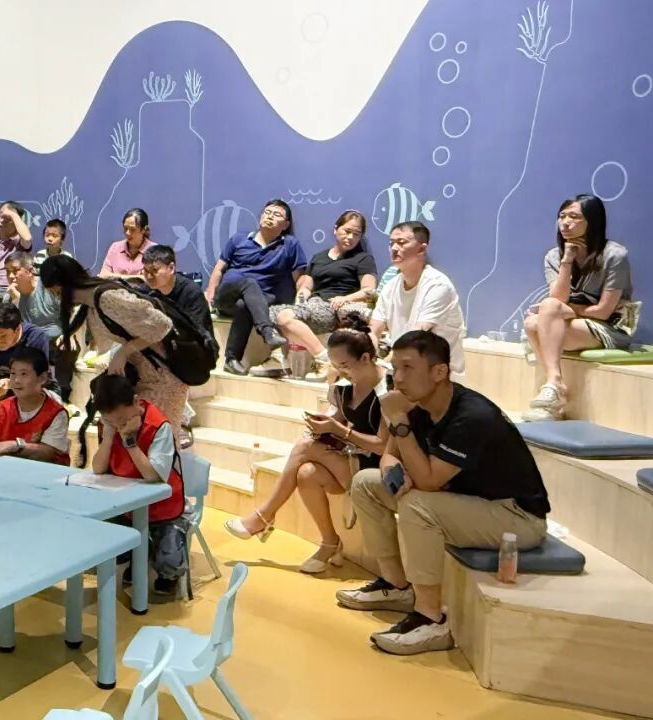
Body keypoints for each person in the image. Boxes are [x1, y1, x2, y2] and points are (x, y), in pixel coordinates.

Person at [336, 331, 550, 656]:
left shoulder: (471, 416)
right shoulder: (418, 404)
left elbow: (429, 481)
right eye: (396, 368)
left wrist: (398, 421)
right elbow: (389, 455)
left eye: (408, 368)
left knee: (418, 504)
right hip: (468, 501)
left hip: (515, 517)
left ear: (439, 372)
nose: (398, 378)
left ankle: (431, 618)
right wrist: (393, 472)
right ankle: (396, 585)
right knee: (366, 483)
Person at [225, 321, 389, 573]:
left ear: (366, 358)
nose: (340, 371)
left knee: (305, 447)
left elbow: (382, 446)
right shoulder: (345, 386)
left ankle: (264, 516)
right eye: (335, 365)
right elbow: (338, 420)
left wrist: (339, 430)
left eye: (345, 365)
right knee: (306, 473)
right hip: (349, 459)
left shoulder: (387, 390)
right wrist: (323, 425)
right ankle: (330, 542)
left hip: (376, 469)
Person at [40, 255, 189, 445]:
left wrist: (124, 352)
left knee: (158, 443)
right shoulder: (91, 303)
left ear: (59, 287)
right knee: (137, 442)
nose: (56, 297)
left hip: (165, 378)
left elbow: (163, 325)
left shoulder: (107, 298)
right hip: (142, 376)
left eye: (54, 292)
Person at [522, 194, 635, 421]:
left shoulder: (614, 255)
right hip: (573, 324)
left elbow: (604, 311)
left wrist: (568, 309)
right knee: (533, 322)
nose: (565, 222)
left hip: (610, 326)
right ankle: (554, 383)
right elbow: (558, 299)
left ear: (592, 221)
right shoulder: (554, 256)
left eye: (574, 217)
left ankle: (553, 391)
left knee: (542, 318)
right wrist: (567, 260)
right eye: (562, 216)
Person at [83, 371, 186, 595]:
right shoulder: (110, 425)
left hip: (161, 506)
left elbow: (152, 475)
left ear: (136, 402)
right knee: (97, 540)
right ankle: (137, 554)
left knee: (170, 562)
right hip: (125, 503)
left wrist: (129, 441)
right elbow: (98, 468)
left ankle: (164, 569)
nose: (118, 425)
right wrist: (108, 436)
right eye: (110, 421)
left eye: (122, 419)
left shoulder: (159, 426)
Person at [259, 210, 378, 377]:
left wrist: (345, 298)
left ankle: (324, 359)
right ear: (336, 229)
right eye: (347, 231)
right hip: (311, 304)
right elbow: (306, 287)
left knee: (284, 317)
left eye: (356, 234)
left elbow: (369, 290)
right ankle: (278, 359)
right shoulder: (319, 257)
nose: (350, 237)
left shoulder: (363, 259)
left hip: (333, 308)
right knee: (267, 313)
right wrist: (301, 299)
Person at [204, 199, 308, 375]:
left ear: (286, 224)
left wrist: (303, 294)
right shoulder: (239, 239)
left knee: (244, 304)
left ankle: (231, 359)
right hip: (228, 295)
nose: (270, 217)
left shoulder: (290, 245)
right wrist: (209, 294)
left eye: (277, 214)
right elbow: (219, 269)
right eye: (267, 212)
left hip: (258, 300)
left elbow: (300, 277)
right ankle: (267, 332)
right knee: (249, 282)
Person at [370, 221, 466, 376]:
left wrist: (385, 365)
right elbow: (374, 329)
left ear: (422, 249)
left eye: (401, 242)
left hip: (438, 377)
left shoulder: (438, 285)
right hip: (402, 372)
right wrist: (365, 356)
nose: (394, 248)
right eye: (391, 243)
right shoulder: (390, 286)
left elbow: (416, 336)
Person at [5, 250, 77, 405]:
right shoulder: (11, 296)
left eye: (16, 271)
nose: (11, 276)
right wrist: (16, 299)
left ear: (30, 271)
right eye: (7, 271)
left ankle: (58, 394)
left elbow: (70, 311)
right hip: (30, 344)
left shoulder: (48, 288)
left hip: (54, 340)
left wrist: (69, 334)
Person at [0, 302, 53, 408]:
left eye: (3, 336)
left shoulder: (36, 338)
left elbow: (36, 378)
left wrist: (11, 382)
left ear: (17, 329)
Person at [141, 244, 214, 339]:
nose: (149, 276)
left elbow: (197, 333)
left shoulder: (192, 293)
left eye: (154, 270)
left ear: (171, 268)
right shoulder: (145, 291)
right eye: (146, 271)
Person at [0, 201, 33, 291]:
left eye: (7, 218)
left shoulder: (19, 241)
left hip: (11, 289)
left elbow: (27, 239)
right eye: (0, 214)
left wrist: (12, 214)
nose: (2, 220)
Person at [100, 208, 155, 278]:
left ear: (144, 230)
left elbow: (151, 279)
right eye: (125, 228)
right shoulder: (115, 247)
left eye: (132, 229)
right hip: (115, 285)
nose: (127, 233)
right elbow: (103, 275)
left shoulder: (155, 251)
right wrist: (136, 277)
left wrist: (113, 276)